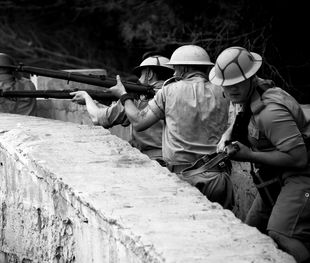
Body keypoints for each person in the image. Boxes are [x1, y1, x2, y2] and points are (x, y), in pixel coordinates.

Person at [210, 46, 310, 263]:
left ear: (251, 78)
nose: (232, 90)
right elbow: (244, 119)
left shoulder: (270, 111)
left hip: (301, 176)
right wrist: (227, 135)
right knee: (250, 231)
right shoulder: (248, 95)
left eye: (237, 83)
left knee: (280, 233)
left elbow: (299, 158)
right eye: (227, 85)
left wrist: (249, 156)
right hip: (275, 175)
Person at [109, 44, 234, 210]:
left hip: (184, 178)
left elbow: (139, 122)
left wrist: (124, 96)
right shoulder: (224, 92)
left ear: (183, 68)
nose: (174, 73)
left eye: (175, 68)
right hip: (219, 177)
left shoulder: (168, 91)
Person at [70, 55, 173, 165]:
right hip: (175, 160)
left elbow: (97, 118)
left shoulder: (135, 100)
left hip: (151, 160)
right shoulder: (176, 95)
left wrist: (86, 97)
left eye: (141, 74)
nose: (138, 79)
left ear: (150, 74)